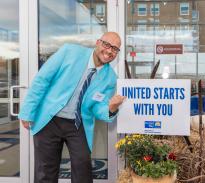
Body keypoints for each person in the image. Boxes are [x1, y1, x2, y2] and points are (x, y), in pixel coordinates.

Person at [18, 32, 125, 183]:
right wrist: (28, 112)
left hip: (78, 124)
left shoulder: (110, 78)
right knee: (45, 171)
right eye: (107, 45)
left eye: (115, 49)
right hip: (49, 119)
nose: (109, 51)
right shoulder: (69, 52)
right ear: (97, 42)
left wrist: (111, 108)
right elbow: (42, 80)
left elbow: (97, 108)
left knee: (83, 169)